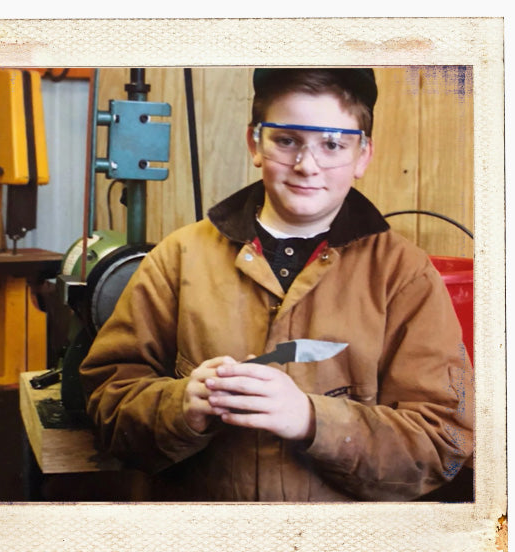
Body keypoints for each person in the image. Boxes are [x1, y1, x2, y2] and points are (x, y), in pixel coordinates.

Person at [80, 68, 474, 502]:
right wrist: (181, 405)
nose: (307, 165)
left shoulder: (404, 274)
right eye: (286, 141)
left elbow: (445, 439)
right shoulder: (179, 257)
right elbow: (107, 400)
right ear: (255, 143)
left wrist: (311, 419)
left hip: (344, 541)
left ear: (362, 156)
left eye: (332, 144)